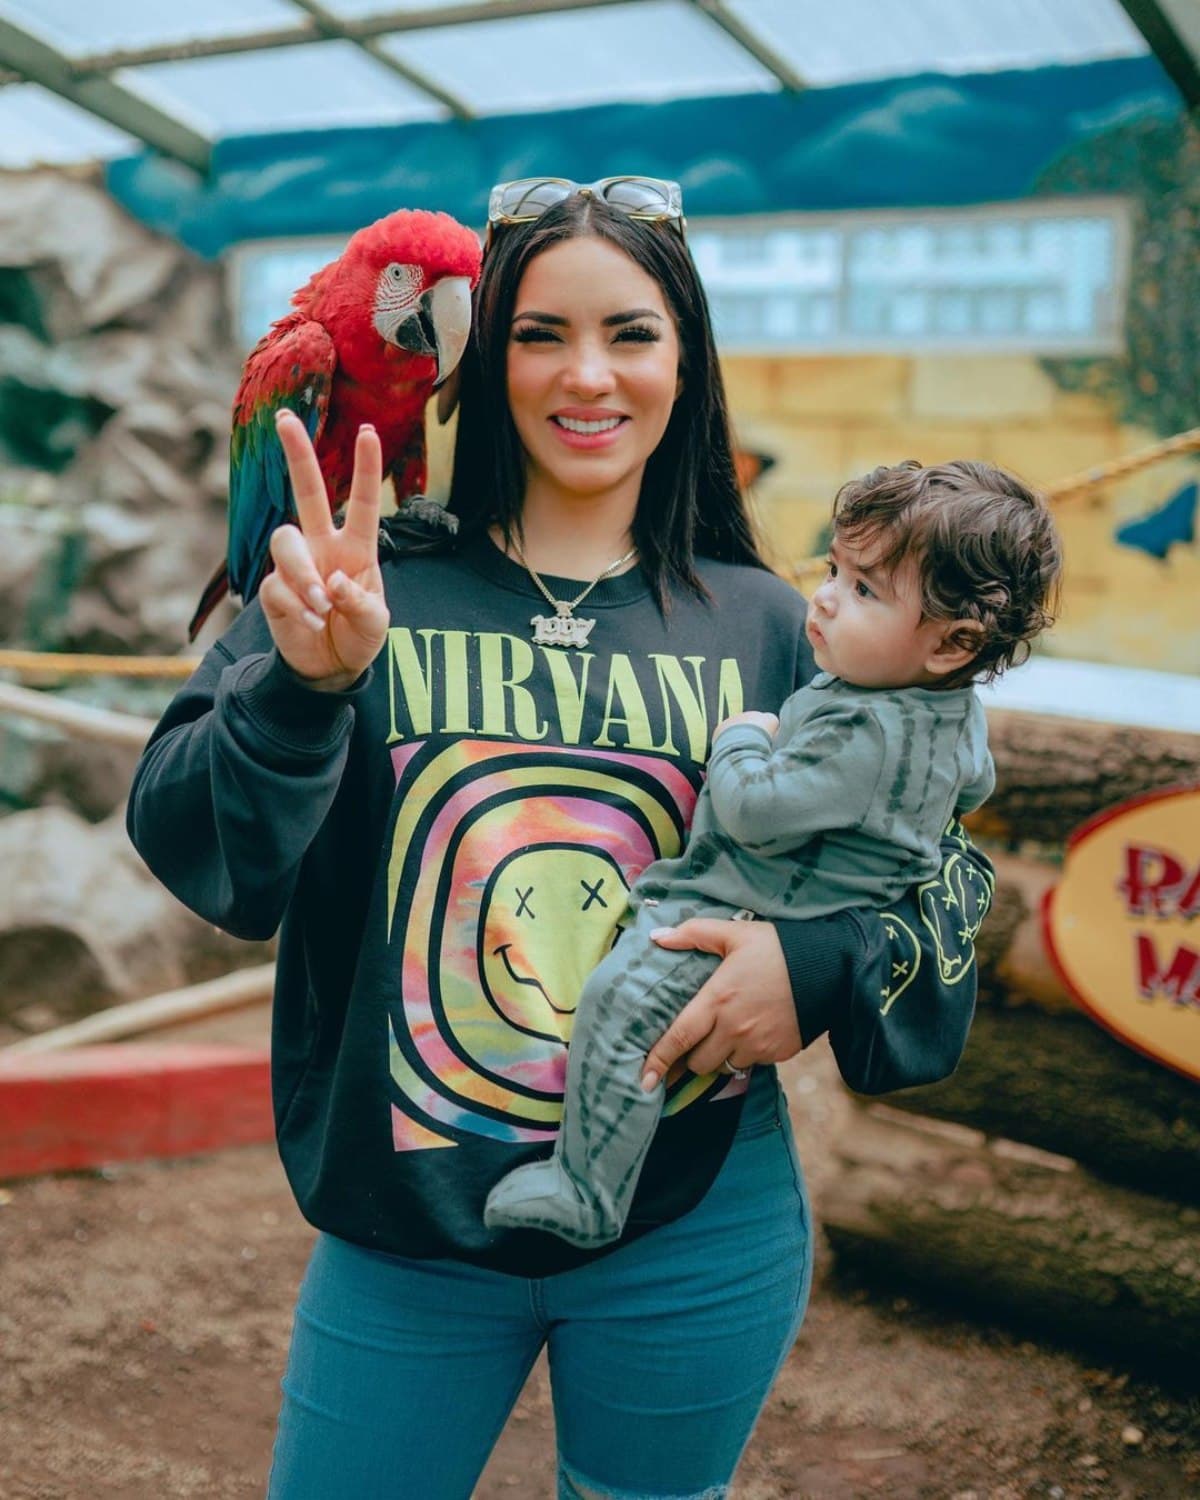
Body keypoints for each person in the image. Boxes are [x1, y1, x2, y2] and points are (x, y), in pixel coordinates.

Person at [126, 177, 996, 1500]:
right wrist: (300, 689)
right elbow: (204, 854)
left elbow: (944, 889)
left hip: (698, 1231)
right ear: (485, 358)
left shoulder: (780, 627)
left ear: (686, 360)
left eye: (631, 333)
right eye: (540, 334)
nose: (587, 374)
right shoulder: (355, 583)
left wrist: (813, 966)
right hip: (403, 1237)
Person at [484, 458, 1060, 1247]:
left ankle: (587, 1191)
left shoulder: (866, 731)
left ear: (950, 644)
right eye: (835, 570)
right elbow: (974, 784)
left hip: (746, 908)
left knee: (620, 1007)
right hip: (806, 899)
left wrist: (742, 741)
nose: (825, 597)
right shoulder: (947, 710)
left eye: (865, 590)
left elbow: (754, 812)